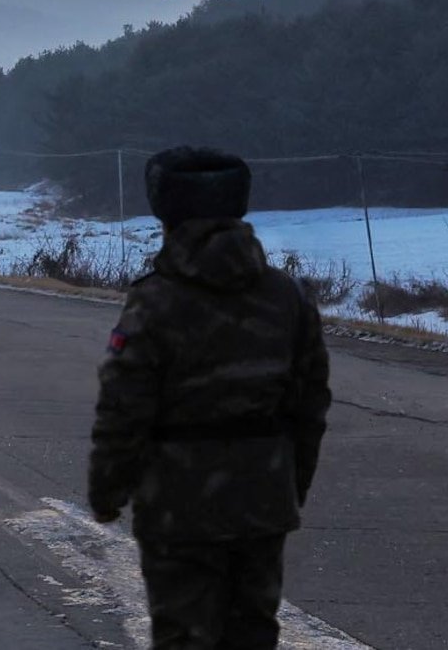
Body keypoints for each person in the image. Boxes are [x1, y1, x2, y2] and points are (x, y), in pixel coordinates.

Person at [89, 146, 332, 650]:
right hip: (264, 500)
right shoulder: (287, 296)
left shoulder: (155, 301)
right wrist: (291, 485)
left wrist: (108, 491)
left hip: (178, 507)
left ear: (165, 211)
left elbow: (124, 408)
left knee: (183, 637)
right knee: (253, 634)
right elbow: (311, 406)